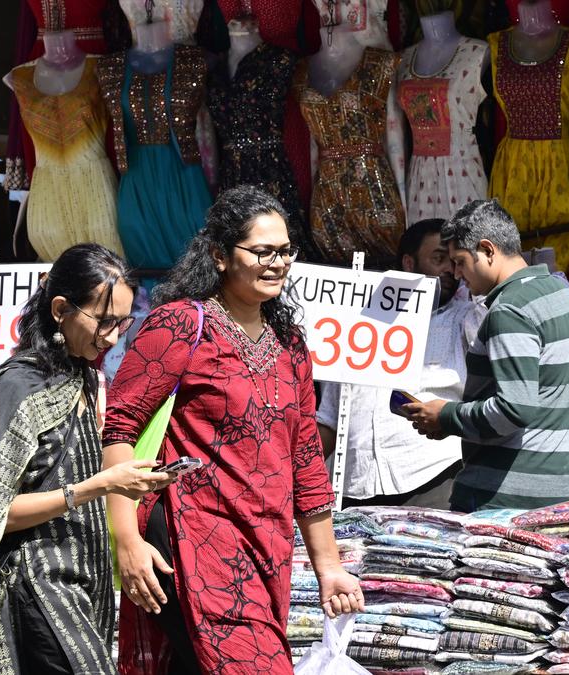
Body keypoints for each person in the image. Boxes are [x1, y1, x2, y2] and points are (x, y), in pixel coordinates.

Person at [104, 185, 363, 675]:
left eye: (285, 251)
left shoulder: (290, 346)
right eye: (262, 251)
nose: (278, 263)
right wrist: (126, 541)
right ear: (221, 257)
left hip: (267, 544)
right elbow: (119, 426)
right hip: (192, 532)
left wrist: (328, 567)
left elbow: (305, 458)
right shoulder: (181, 325)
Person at [0, 244, 174, 675]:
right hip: (35, 585)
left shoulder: (87, 378)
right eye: (103, 321)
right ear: (59, 309)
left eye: (122, 323)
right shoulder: (16, 387)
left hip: (85, 580)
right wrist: (100, 485)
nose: (112, 336)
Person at [404, 199, 569, 512]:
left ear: (488, 250)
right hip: (562, 490)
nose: (457, 273)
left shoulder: (510, 310)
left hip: (509, 501)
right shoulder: (558, 291)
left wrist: (445, 416)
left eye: (460, 261)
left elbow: (514, 409)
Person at [317, 218, 484, 508]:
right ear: (409, 262)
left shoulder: (466, 319)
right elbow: (330, 418)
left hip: (434, 480)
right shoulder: (356, 325)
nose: (450, 270)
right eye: (438, 258)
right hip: (354, 490)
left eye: (454, 262)